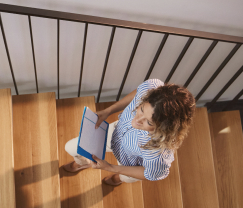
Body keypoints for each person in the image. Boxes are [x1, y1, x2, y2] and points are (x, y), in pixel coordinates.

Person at [62, 79, 195, 186]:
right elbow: (137, 93)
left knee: (126, 177)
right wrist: (108, 111)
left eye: (149, 122)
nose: (137, 120)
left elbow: (149, 173)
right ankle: (82, 163)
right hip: (114, 132)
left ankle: (119, 178)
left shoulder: (159, 154)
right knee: (70, 147)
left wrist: (111, 168)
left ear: (163, 129)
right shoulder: (151, 86)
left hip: (129, 163)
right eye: (141, 109)